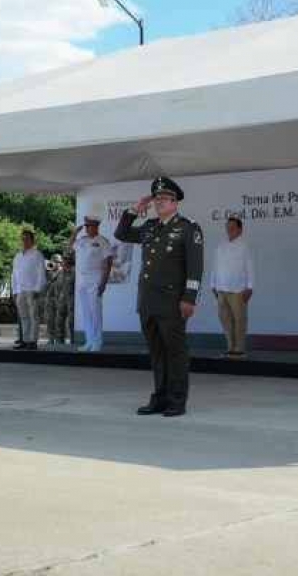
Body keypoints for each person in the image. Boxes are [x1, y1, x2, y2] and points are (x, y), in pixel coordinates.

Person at [115, 176, 204, 417]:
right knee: (156, 353)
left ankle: (177, 400)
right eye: (157, 199)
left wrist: (189, 297)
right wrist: (135, 209)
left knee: (175, 353)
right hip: (148, 302)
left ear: (176, 202)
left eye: (165, 199)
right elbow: (121, 233)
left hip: (172, 302)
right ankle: (160, 398)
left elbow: (195, 267)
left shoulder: (188, 228)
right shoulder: (149, 227)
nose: (160, 202)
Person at [211, 215, 255, 358]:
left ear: (240, 230)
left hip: (238, 289)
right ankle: (230, 347)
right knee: (225, 319)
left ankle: (239, 349)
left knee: (239, 320)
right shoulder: (220, 246)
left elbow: (250, 267)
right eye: (227, 227)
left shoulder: (244, 246)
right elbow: (215, 266)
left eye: (233, 227)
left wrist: (250, 287)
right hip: (221, 289)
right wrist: (213, 284)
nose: (229, 230)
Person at [72, 215, 115, 352]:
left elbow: (108, 262)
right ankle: (89, 341)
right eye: (86, 226)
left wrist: (104, 283)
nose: (87, 228)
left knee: (95, 311)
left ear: (96, 226)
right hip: (82, 280)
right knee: (86, 312)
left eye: (89, 226)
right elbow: (70, 246)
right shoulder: (82, 241)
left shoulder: (102, 241)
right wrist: (75, 233)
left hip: (96, 278)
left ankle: (97, 341)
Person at [11, 229, 46, 350]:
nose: (24, 241)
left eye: (26, 239)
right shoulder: (18, 256)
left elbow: (41, 273)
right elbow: (14, 274)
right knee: (24, 317)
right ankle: (25, 340)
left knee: (33, 317)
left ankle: (33, 341)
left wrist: (38, 289)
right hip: (20, 290)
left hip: (32, 290)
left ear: (32, 240)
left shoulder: (37, 254)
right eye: (22, 239)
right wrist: (15, 291)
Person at [45, 251, 76, 347]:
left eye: (67, 259)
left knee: (71, 322)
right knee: (58, 322)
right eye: (64, 259)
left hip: (71, 300)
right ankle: (59, 341)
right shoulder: (60, 273)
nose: (65, 261)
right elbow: (55, 287)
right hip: (60, 300)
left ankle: (73, 340)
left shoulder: (75, 272)